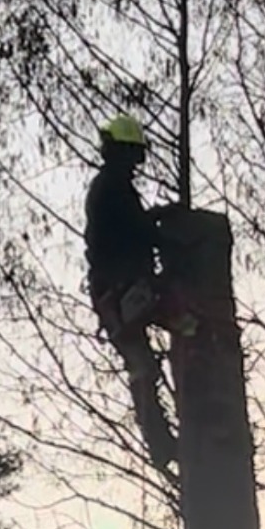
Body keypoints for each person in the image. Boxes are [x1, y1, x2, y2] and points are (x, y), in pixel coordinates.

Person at [84, 113, 177, 469]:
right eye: (134, 154)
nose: (136, 163)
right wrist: (167, 232)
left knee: (147, 363)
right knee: (143, 366)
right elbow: (135, 232)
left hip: (122, 288)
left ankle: (163, 444)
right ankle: (161, 446)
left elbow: (132, 228)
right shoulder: (113, 189)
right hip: (120, 290)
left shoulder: (111, 187)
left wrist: (156, 218)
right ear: (124, 152)